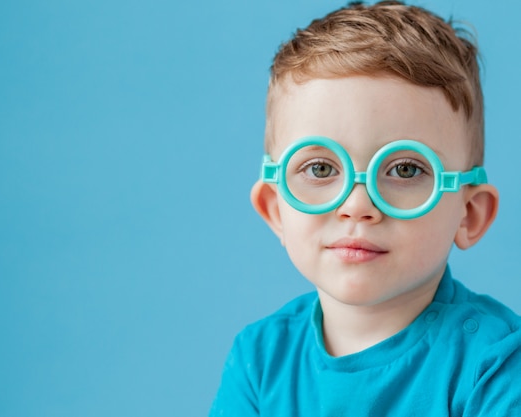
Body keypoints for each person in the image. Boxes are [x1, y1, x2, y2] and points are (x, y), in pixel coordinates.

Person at [209, 1, 521, 415]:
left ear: (469, 214)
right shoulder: (261, 360)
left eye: (405, 169)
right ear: (275, 209)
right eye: (320, 168)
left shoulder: (496, 366)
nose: (358, 206)